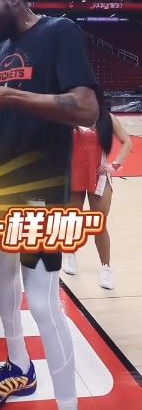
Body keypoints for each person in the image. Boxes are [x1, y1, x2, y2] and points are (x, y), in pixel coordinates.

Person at [0, 0, 99, 410]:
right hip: (2, 189)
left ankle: (68, 406)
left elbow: (86, 108)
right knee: (4, 288)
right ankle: (20, 367)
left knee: (43, 302)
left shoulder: (59, 31)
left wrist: (8, 95)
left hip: (42, 191)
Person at [63, 103, 132, 289]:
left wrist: (115, 165)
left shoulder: (107, 118)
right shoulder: (70, 114)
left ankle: (106, 268)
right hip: (74, 175)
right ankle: (69, 254)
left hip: (99, 176)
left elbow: (127, 141)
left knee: (99, 224)